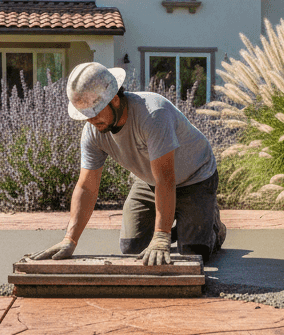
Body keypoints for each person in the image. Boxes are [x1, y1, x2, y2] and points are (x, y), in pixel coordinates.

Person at [32, 62, 225, 265]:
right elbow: (87, 186)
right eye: (86, 115)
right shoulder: (93, 131)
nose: (91, 120)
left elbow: (165, 179)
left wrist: (161, 237)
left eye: (95, 112)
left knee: (194, 254)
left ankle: (212, 226)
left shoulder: (153, 114)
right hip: (150, 181)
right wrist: (69, 240)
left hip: (195, 177)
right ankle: (182, 226)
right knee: (131, 247)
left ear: (115, 100)